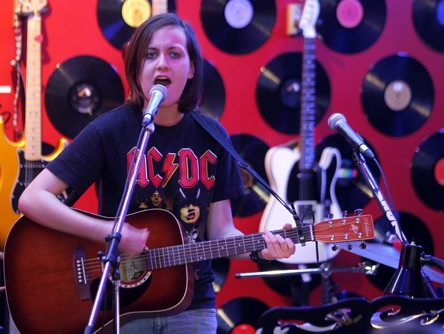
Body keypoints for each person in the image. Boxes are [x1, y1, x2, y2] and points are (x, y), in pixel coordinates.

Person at [18, 12, 296, 333]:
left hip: (192, 305)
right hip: (122, 304)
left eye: (174, 54)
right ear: (137, 69)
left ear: (191, 69)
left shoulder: (213, 136)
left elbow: (222, 233)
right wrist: (110, 234)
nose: (162, 63)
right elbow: (33, 199)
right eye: (150, 55)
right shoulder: (110, 130)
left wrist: (263, 248)